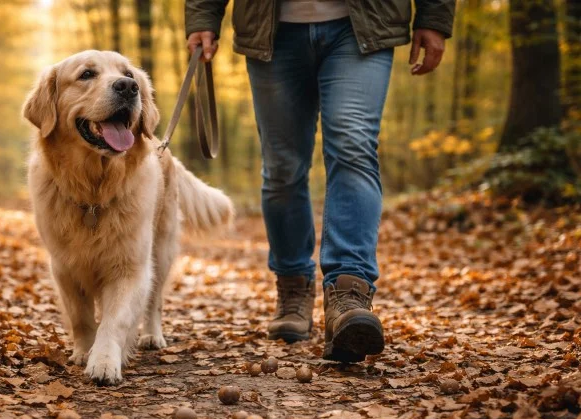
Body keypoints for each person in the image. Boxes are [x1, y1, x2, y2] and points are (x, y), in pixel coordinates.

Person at [185, 1, 454, 362]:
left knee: (353, 147)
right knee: (282, 168)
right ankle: (293, 285)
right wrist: (204, 17)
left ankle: (349, 291)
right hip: (272, 29)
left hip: (363, 23)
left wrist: (434, 17)